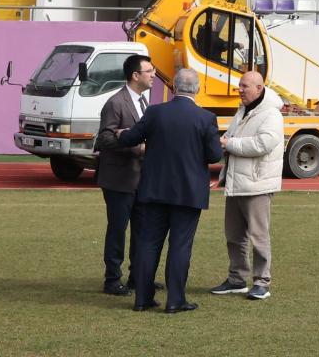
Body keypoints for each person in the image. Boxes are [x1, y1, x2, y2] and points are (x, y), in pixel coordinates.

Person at [116, 68, 223, 313]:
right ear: (197, 89)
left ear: (174, 87)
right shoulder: (205, 118)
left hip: (154, 189)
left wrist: (119, 134)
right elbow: (214, 155)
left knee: (148, 244)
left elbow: (131, 137)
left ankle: (142, 298)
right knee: (180, 246)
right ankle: (176, 299)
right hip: (188, 193)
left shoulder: (155, 112)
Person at [209, 70, 284, 301]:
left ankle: (262, 282)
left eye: (244, 86)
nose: (239, 90)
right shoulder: (243, 110)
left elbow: (263, 144)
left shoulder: (271, 114)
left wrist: (230, 143)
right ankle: (237, 279)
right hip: (237, 182)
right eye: (240, 86)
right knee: (234, 235)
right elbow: (232, 139)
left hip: (257, 185)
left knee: (258, 236)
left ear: (259, 88)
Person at [94, 54, 156, 296]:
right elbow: (104, 138)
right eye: (149, 71)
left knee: (142, 230)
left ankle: (137, 277)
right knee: (118, 230)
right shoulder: (116, 103)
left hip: (141, 180)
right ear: (135, 75)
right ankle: (112, 279)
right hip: (119, 180)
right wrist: (137, 147)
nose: (153, 74)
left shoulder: (143, 102)